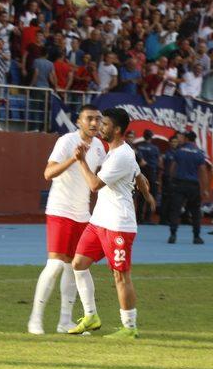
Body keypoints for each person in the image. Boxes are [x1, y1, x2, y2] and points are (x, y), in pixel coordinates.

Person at [66, 108, 155, 339]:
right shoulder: (116, 152)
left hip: (118, 225)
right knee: (78, 264)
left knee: (120, 276)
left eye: (104, 123)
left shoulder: (122, 156)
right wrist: (148, 195)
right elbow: (140, 176)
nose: (99, 126)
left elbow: (95, 185)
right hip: (98, 222)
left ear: (116, 130)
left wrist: (81, 161)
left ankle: (129, 327)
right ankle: (91, 316)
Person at [27, 105, 107, 335]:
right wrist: (74, 159)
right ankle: (35, 319)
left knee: (73, 267)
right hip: (60, 210)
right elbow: (48, 173)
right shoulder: (66, 141)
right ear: (79, 121)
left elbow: (98, 176)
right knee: (54, 266)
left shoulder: (100, 146)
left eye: (98, 119)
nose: (94, 123)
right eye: (89, 119)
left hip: (83, 213)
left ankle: (65, 321)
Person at [168, 131, 209, 245]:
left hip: (179, 183)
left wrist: (172, 179)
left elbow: (173, 168)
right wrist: (205, 188)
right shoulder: (199, 153)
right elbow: (203, 172)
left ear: (186, 138)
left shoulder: (179, 151)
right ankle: (196, 236)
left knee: (175, 210)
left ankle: (173, 234)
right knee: (195, 212)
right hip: (193, 185)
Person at [135, 129, 159, 224]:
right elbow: (157, 162)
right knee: (151, 195)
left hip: (141, 173)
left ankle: (139, 218)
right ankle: (148, 218)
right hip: (151, 173)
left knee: (141, 196)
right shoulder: (155, 148)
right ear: (151, 136)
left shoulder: (139, 147)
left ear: (144, 136)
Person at [159, 135, 179, 225]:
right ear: (170, 143)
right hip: (167, 178)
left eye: (176, 142)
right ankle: (163, 219)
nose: (174, 144)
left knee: (174, 200)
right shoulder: (166, 154)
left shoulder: (180, 153)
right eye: (173, 142)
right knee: (165, 199)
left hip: (176, 179)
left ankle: (171, 219)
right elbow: (161, 165)